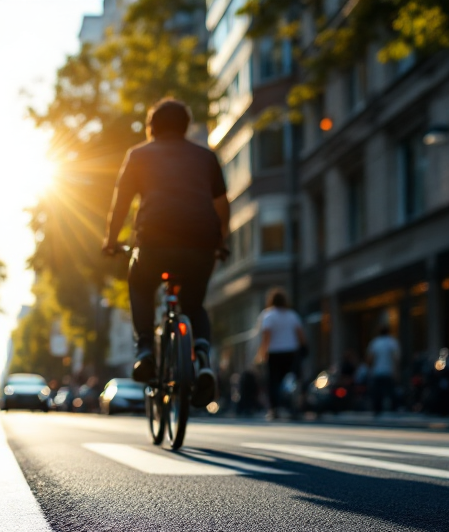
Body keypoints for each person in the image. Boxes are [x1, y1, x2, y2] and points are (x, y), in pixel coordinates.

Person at [102, 97, 230, 408]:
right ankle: (203, 360)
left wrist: (111, 240)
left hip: (154, 242)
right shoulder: (206, 156)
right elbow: (222, 205)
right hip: (201, 243)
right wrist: (221, 242)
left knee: (140, 284)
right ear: (186, 126)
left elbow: (121, 203)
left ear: (152, 127)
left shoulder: (138, 155)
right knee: (194, 304)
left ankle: (145, 349)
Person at [255, 289, 306, 420]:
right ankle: (294, 406)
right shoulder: (292, 315)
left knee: (273, 382)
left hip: (274, 353)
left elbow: (266, 336)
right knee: (292, 380)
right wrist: (303, 347)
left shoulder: (268, 315)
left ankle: (274, 409)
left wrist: (261, 353)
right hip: (291, 352)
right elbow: (300, 334)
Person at [367, 324, 401, 416]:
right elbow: (396, 358)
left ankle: (377, 410)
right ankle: (394, 409)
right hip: (388, 371)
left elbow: (370, 358)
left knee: (378, 393)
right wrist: (396, 371)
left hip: (377, 372)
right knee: (391, 392)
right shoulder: (392, 342)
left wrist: (370, 370)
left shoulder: (375, 342)